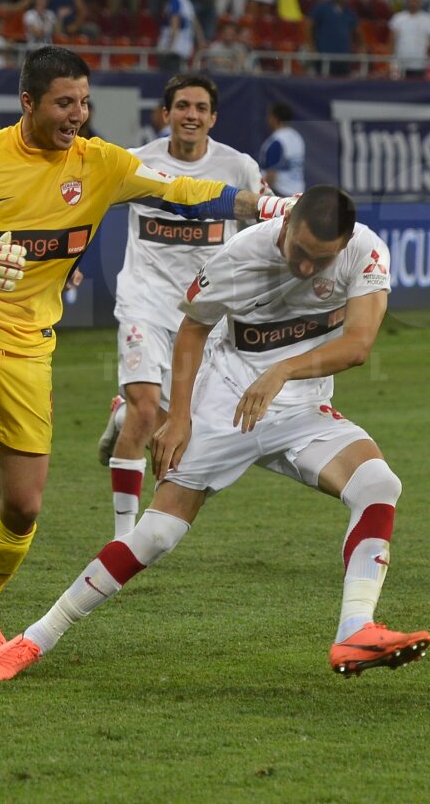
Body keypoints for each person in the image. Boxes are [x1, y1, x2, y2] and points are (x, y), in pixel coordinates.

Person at [0, 45, 294, 658]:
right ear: (28, 102)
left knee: (22, 507)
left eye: (85, 101)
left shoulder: (98, 164)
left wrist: (268, 205)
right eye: (64, 102)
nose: (78, 113)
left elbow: (185, 190)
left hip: (28, 343)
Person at [0, 185, 430, 682]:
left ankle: (354, 630)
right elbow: (193, 330)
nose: (305, 268)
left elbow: (359, 343)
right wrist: (182, 418)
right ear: (287, 227)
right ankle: (34, 639)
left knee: (378, 484)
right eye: (299, 252)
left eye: (319, 260)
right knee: (157, 535)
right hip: (226, 405)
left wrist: (280, 372)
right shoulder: (241, 256)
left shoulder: (364, 250)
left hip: (302, 408)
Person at [95, 74, 270, 540]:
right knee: (146, 408)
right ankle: (122, 538)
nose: (190, 115)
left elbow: (262, 228)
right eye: (182, 106)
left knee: (178, 423)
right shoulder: (137, 163)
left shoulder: (239, 168)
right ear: (166, 114)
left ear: (213, 117)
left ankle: (121, 414)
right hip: (144, 301)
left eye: (199, 108)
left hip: (204, 313)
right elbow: (88, 209)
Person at [259, 101, 306, 196]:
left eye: (269, 116)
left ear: (274, 118)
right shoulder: (297, 137)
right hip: (298, 193)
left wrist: (263, 198)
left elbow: (272, 175)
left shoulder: (277, 142)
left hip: (280, 193)